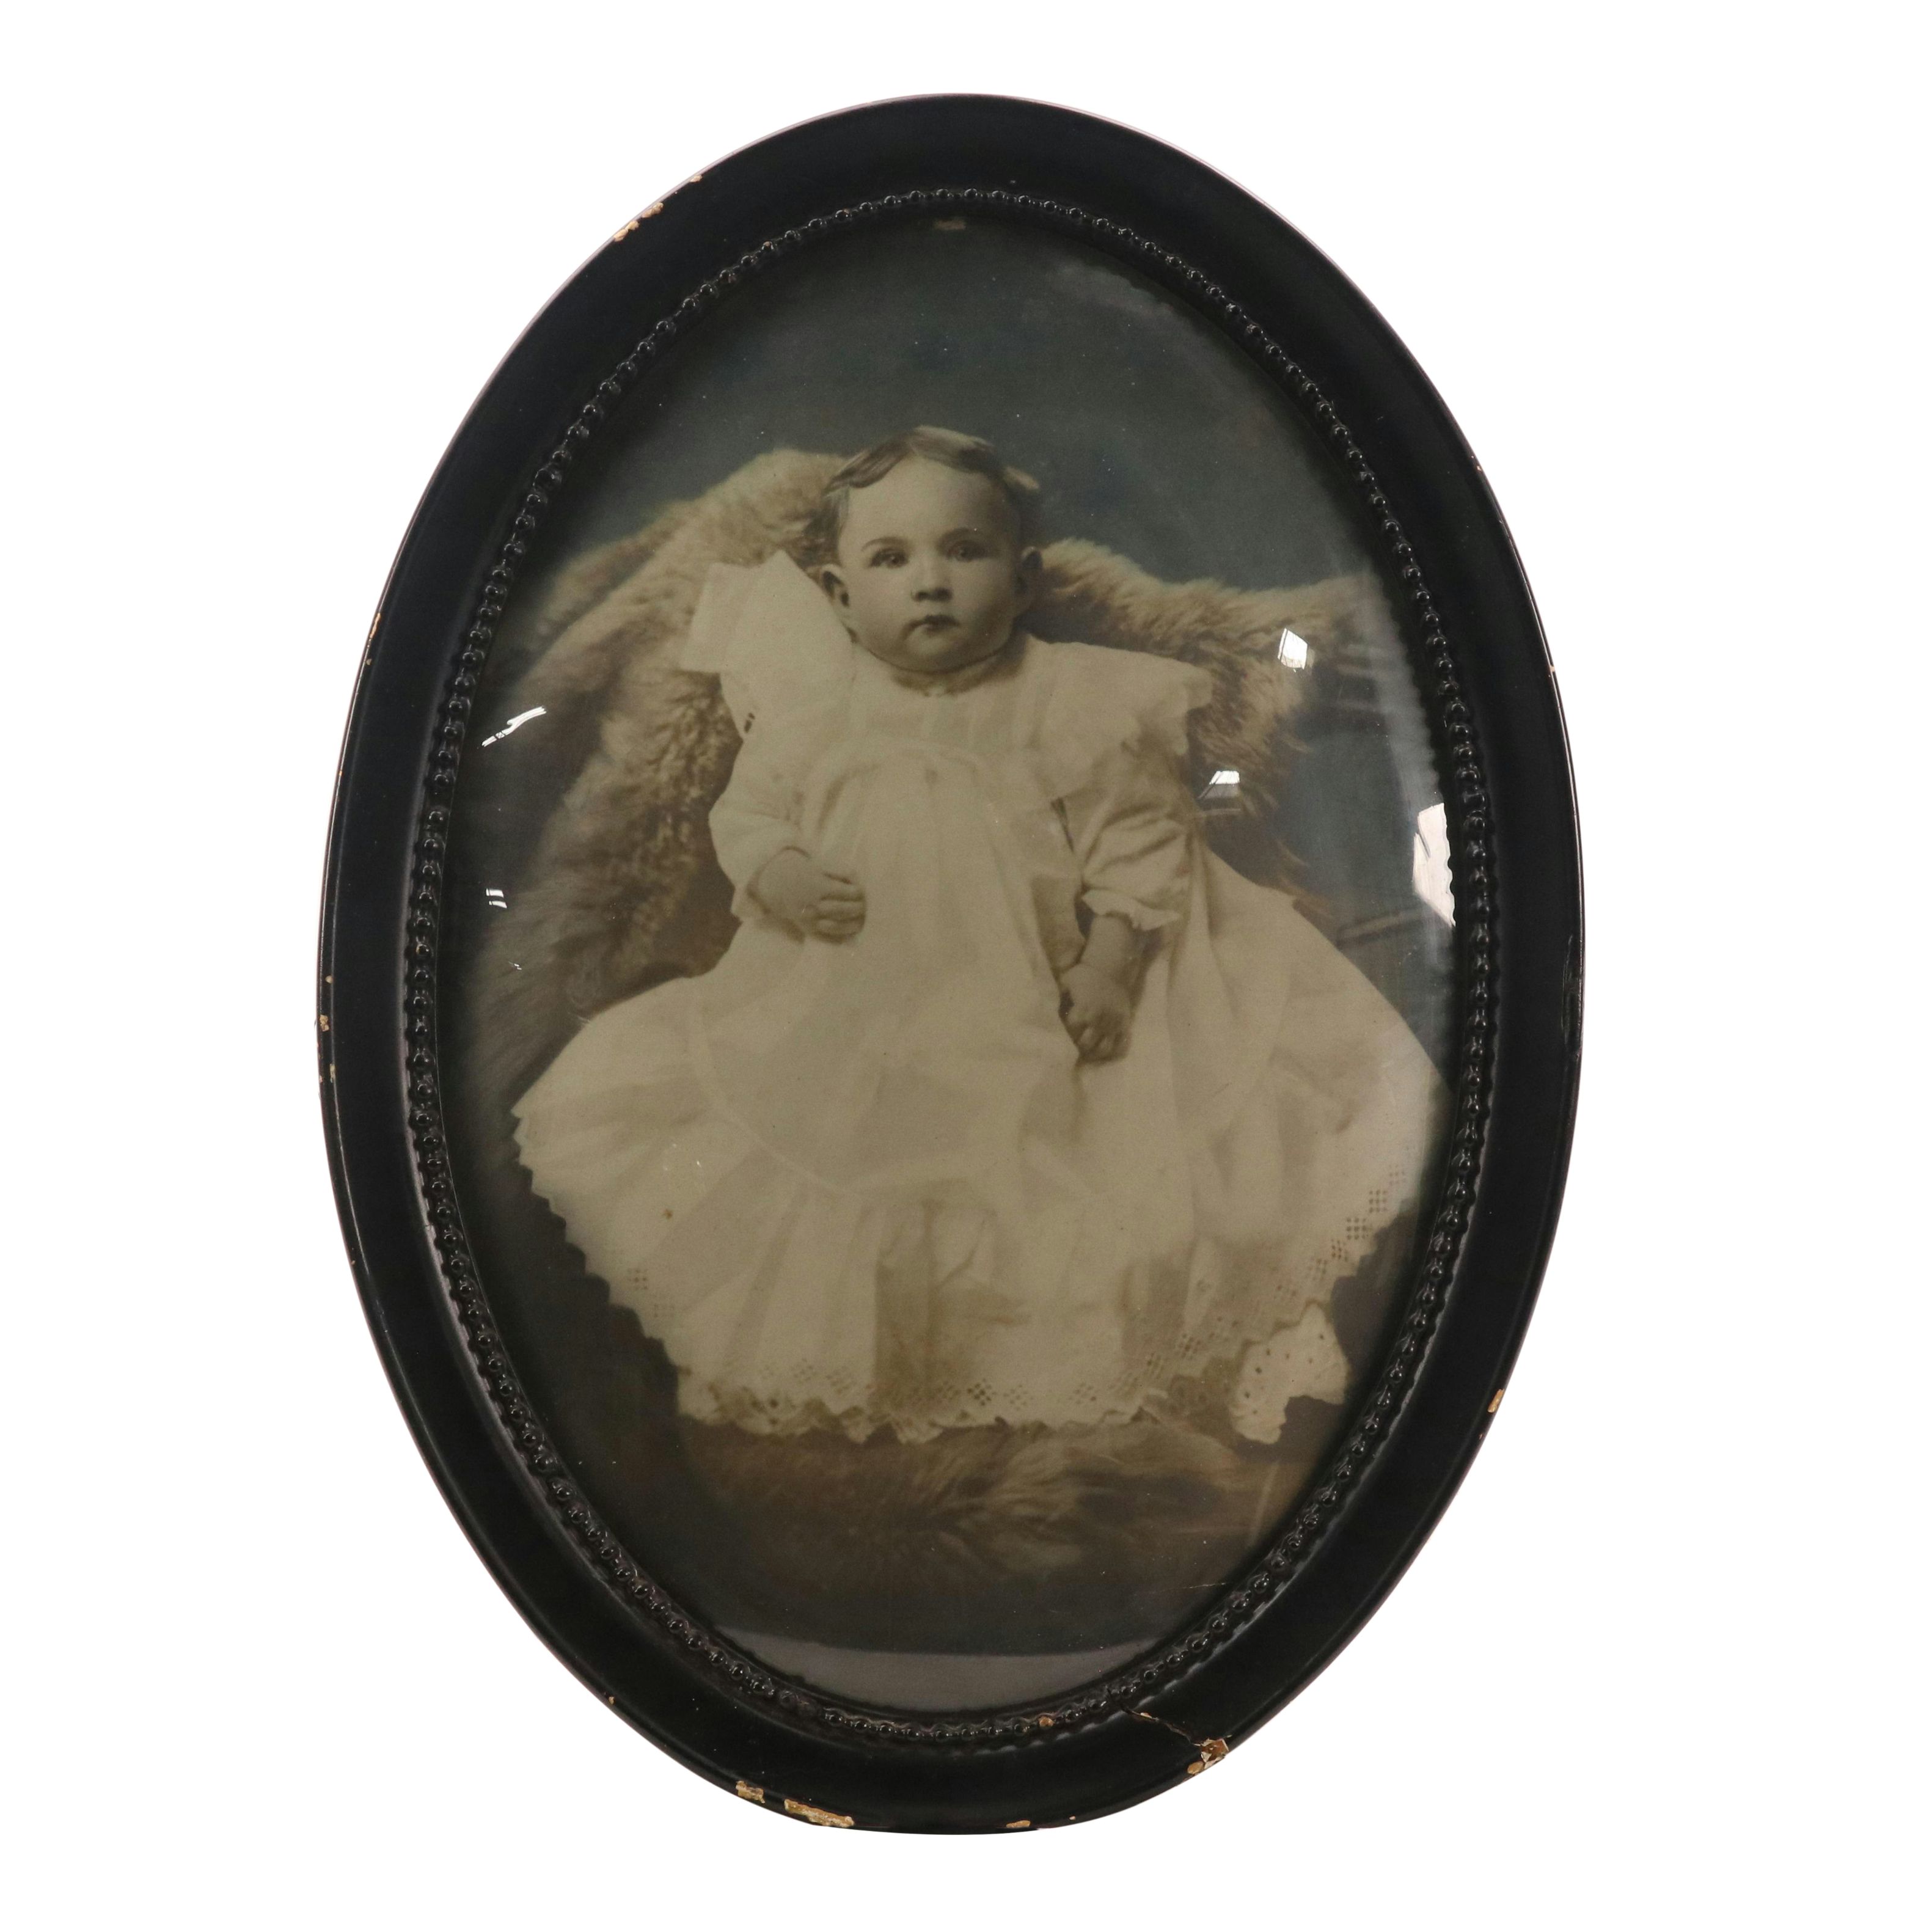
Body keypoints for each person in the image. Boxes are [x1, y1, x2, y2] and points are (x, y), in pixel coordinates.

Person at [513, 427, 1443, 1448]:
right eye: (890, 560)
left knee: (1107, 1169)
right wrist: (777, 870)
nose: (930, 584)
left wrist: (1107, 961)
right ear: (834, 595)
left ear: (1023, 576)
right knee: (825, 1159)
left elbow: (1139, 845)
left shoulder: (1067, 701)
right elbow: (745, 815)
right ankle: (774, 1366)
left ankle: (1249, 1349)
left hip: (1029, 1002)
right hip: (853, 1005)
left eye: (964, 552)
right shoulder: (811, 709)